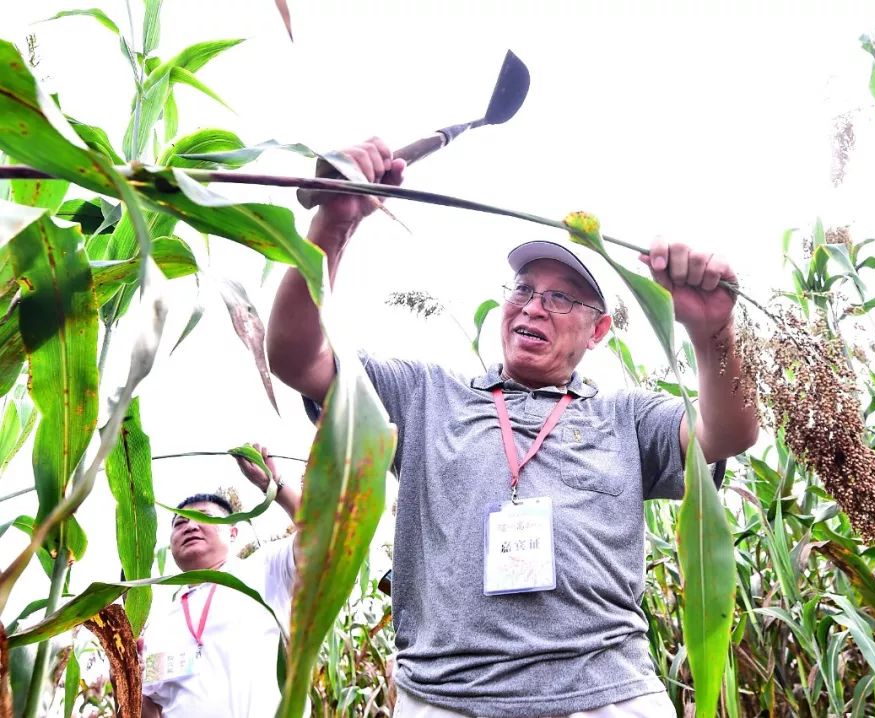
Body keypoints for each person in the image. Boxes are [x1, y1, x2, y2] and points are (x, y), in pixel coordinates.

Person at [267, 138, 758, 718]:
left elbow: (727, 435)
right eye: (522, 290)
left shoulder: (627, 417)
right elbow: (296, 356)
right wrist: (336, 224)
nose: (531, 307)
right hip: (447, 699)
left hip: (607, 697)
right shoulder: (423, 396)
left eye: (558, 298)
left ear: (598, 331)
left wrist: (713, 333)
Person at [140, 445, 301, 718]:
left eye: (204, 517)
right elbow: (152, 709)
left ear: (234, 530)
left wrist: (273, 485)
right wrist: (128, 680)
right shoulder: (160, 625)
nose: (190, 526)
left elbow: (323, 533)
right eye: (180, 523)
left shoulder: (265, 569)